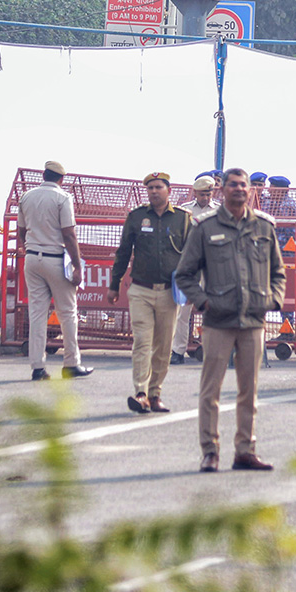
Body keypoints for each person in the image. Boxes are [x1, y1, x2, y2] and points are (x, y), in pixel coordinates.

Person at [174, 168, 285, 473]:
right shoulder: (205, 227)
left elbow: (279, 271)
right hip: (218, 322)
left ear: (251, 191)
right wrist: (204, 301)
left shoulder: (264, 227)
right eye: (233, 185)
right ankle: (210, 451)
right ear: (222, 190)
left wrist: (272, 300)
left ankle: (245, 451)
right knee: (211, 391)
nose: (238, 189)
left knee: (249, 390)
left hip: (253, 322)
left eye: (243, 185)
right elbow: (184, 274)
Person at [108, 171, 191, 413]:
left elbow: (193, 256)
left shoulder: (183, 220)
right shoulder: (136, 217)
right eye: (150, 188)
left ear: (169, 191)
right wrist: (114, 284)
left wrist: (192, 287)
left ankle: (155, 394)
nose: (154, 191)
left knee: (164, 347)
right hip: (140, 290)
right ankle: (141, 393)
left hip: (169, 293)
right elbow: (123, 252)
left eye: (158, 187)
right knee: (142, 343)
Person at [20, 160, 91, 381]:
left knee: (37, 314)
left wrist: (30, 247)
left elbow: (20, 232)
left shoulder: (27, 196)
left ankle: (38, 367)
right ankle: (71, 363)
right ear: (61, 179)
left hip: (32, 258)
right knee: (68, 313)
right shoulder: (63, 198)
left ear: (44, 175)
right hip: (56, 259)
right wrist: (78, 266)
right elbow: (69, 234)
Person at [170, 174, 219, 363]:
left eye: (208, 194)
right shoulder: (185, 212)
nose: (205, 198)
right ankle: (178, 351)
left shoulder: (219, 211)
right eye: (201, 195)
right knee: (183, 310)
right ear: (195, 193)